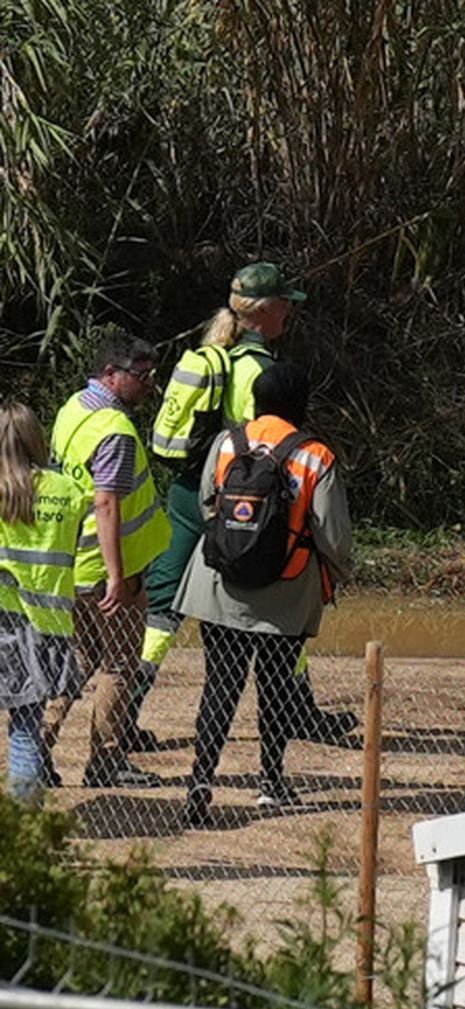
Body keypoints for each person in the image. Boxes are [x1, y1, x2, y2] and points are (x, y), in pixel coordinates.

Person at [139, 261, 354, 748]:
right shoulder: (259, 368)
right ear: (266, 311)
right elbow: (262, 445)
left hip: (185, 493)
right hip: (241, 501)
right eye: (285, 306)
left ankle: (128, 707)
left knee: (163, 604)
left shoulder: (212, 354)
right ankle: (295, 715)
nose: (289, 316)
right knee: (284, 596)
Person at [179, 362, 352, 826]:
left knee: (220, 685)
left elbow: (205, 505)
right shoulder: (315, 456)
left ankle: (200, 780)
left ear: (255, 399)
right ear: (302, 403)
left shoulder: (225, 443)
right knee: (275, 687)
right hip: (286, 591)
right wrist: (338, 572)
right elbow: (332, 534)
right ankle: (270, 783)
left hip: (220, 584)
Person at [44, 333, 172, 788]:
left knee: (78, 660)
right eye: (141, 376)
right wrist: (118, 578)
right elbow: (107, 505)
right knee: (120, 665)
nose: (149, 385)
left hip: (73, 562)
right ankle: (106, 762)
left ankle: (38, 746)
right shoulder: (115, 431)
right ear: (111, 374)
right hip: (108, 570)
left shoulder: (73, 409)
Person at [0, 404, 86, 802]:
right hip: (46, 624)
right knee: (26, 728)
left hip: (5, 619)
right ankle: (24, 825)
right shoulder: (67, 489)